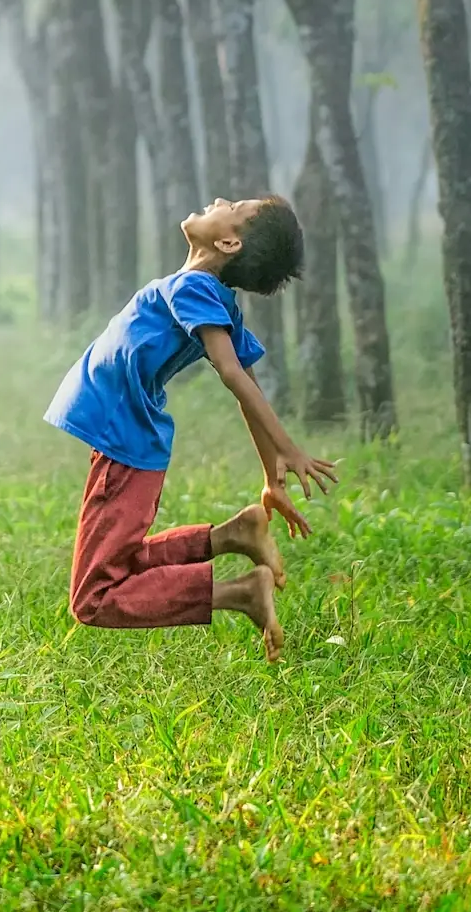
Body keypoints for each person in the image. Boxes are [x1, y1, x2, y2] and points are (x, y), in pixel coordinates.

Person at [43, 197, 338, 662]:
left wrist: (287, 448)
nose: (220, 200)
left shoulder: (197, 288)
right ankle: (232, 536)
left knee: (94, 597)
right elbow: (248, 381)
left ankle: (240, 594)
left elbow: (235, 373)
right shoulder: (205, 292)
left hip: (125, 443)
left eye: (234, 205)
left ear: (228, 241)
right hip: (125, 441)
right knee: (119, 565)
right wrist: (271, 477)